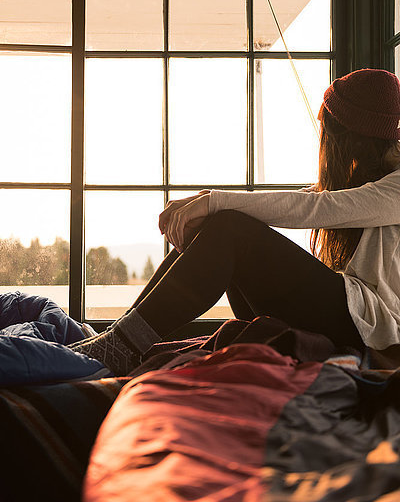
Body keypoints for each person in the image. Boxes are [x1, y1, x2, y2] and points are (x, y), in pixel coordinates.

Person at [69, 68, 400, 376]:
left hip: (370, 331)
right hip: (348, 320)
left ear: (348, 136)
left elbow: (314, 207)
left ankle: (120, 345)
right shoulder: (369, 180)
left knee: (231, 228)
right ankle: (123, 339)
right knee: (221, 224)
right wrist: (209, 209)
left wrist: (214, 200)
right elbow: (298, 201)